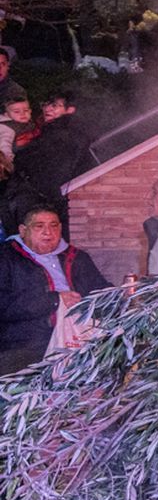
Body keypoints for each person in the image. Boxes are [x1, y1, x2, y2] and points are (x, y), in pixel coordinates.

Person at [0, 206, 111, 374]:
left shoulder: (77, 257)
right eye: (39, 226)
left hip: (77, 338)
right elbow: (4, 305)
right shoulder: (6, 258)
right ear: (23, 231)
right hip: (25, 345)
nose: (48, 232)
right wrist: (54, 300)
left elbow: (100, 291)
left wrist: (119, 295)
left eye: (54, 226)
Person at [6, 92, 94, 235]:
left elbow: (49, 171)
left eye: (55, 105)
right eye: (46, 105)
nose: (48, 109)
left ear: (70, 110)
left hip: (48, 202)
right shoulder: (46, 130)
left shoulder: (64, 134)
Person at [119, 0, 158, 71]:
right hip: (128, 62)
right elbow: (119, 39)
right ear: (130, 0)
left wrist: (147, 34)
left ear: (146, 0)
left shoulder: (156, 18)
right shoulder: (122, 18)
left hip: (151, 61)